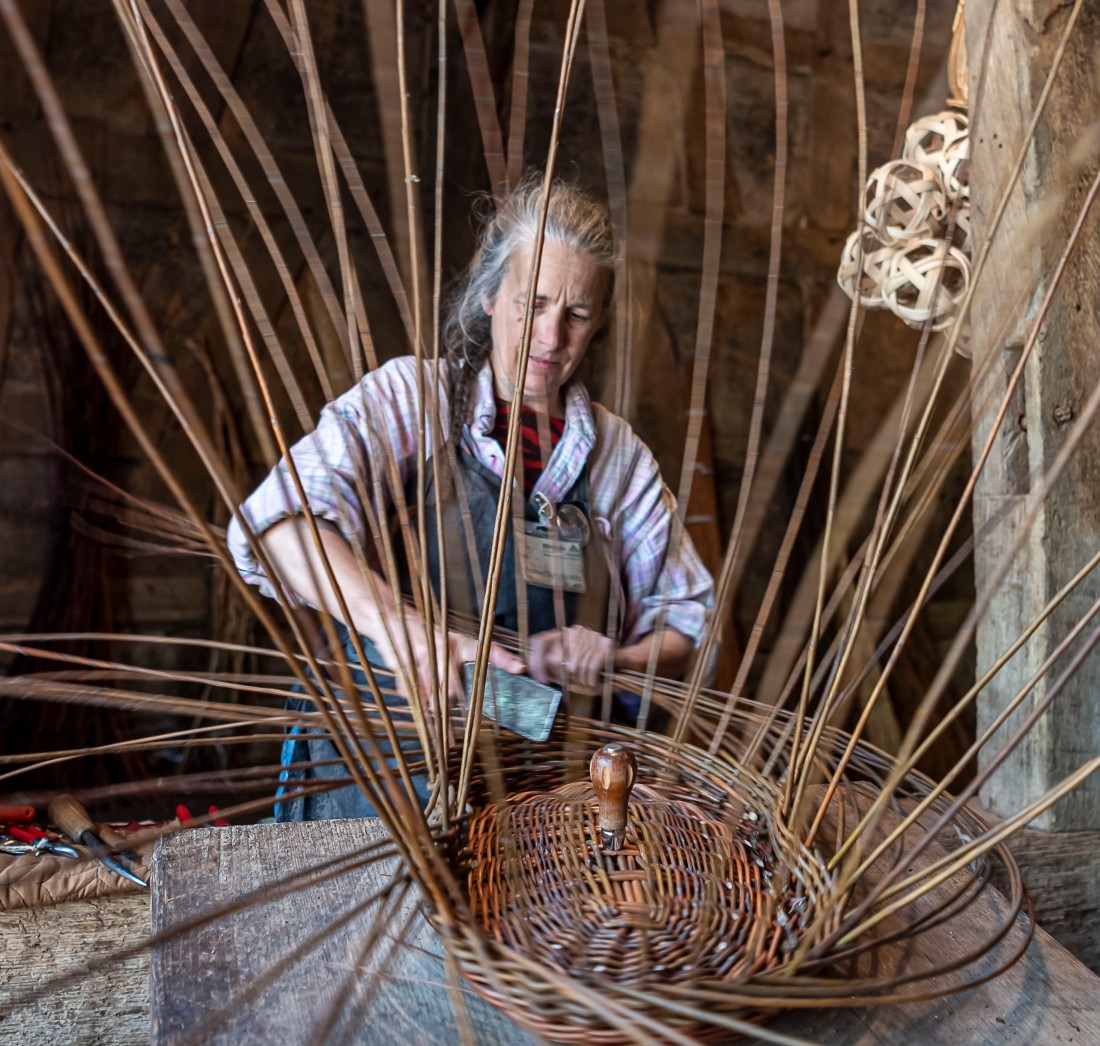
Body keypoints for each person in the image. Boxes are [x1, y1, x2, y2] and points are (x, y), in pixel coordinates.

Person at [227, 173, 714, 820]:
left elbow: (684, 618)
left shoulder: (618, 458)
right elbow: (279, 524)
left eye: (576, 313)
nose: (551, 337)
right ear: (490, 296)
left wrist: (614, 656)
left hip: (545, 777)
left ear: (598, 323)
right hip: (388, 758)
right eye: (532, 303)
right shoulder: (412, 402)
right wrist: (398, 627)